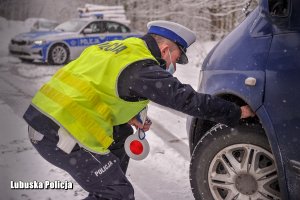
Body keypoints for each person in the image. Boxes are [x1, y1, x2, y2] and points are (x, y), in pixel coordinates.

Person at [23, 20, 255, 200]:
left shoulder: (120, 48)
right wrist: (236, 112)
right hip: (60, 131)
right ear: (165, 50)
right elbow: (187, 100)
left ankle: (105, 181)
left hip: (46, 116)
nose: (173, 66)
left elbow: (99, 85)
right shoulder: (142, 67)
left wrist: (130, 115)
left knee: (121, 139)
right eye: (176, 58)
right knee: (117, 193)